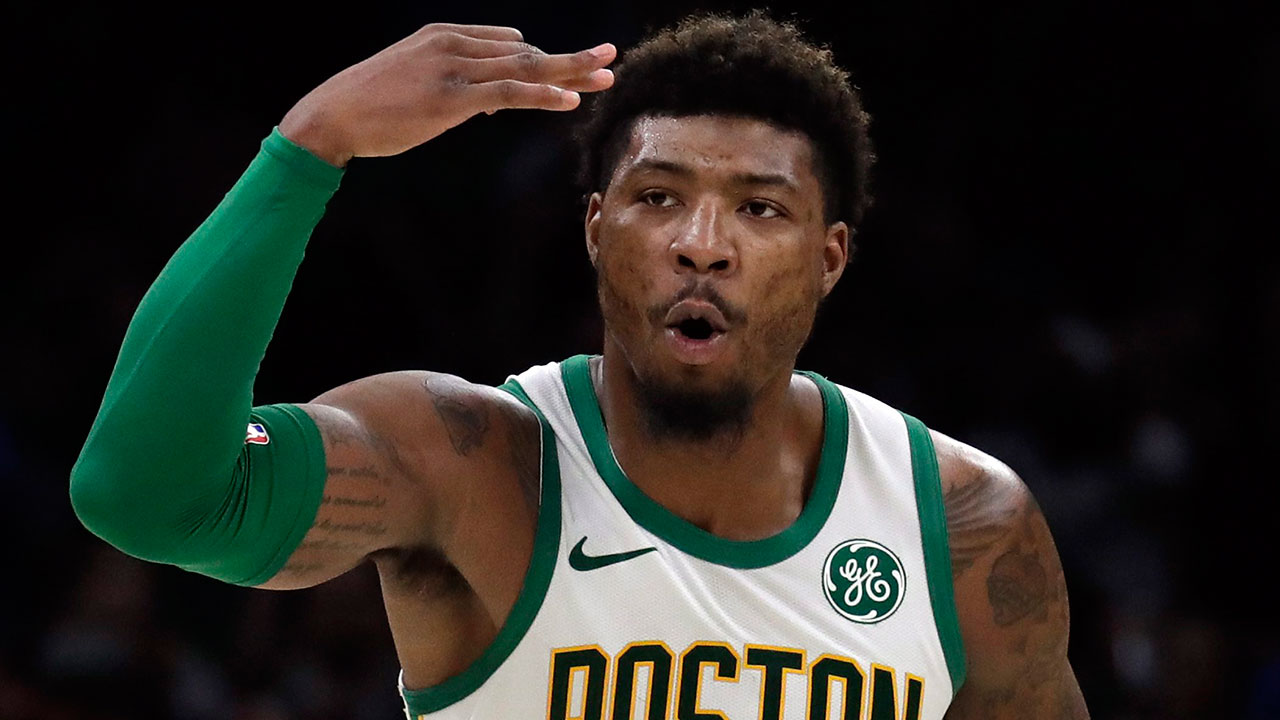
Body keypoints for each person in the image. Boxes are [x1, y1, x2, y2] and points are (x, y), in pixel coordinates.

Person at [70, 11, 1089, 720]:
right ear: (596, 230)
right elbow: (151, 497)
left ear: (829, 258)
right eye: (657, 197)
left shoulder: (961, 525)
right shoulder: (471, 464)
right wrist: (308, 147)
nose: (702, 242)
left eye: (759, 208)